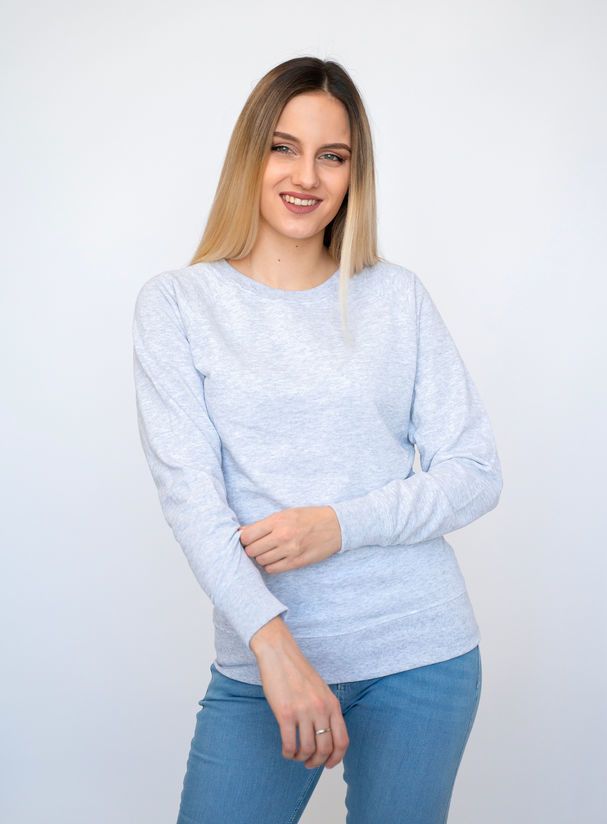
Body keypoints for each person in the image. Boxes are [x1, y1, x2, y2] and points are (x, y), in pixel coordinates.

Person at [132, 56, 503, 824]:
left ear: (352, 174)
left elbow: (473, 471)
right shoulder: (179, 304)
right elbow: (191, 499)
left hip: (419, 654)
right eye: (283, 147)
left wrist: (337, 526)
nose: (306, 176)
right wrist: (272, 646)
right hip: (263, 658)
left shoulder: (393, 297)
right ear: (250, 155)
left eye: (332, 155)